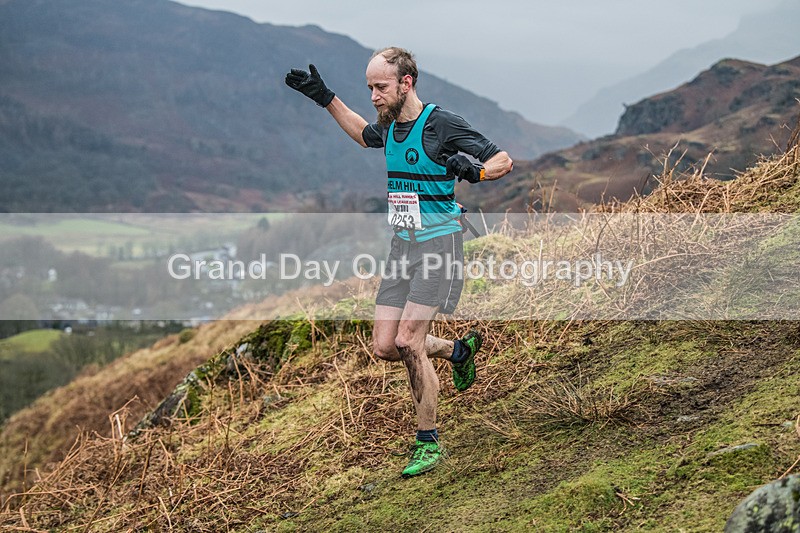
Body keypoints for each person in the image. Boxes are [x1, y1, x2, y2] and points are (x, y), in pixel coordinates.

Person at [285, 47, 513, 477]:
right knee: (386, 347)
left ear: (406, 83)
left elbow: (502, 159)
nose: (373, 96)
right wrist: (326, 98)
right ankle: (458, 351)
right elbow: (363, 134)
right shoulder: (390, 126)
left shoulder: (440, 124)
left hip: (439, 245)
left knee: (409, 341)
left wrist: (478, 171)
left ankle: (428, 442)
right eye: (369, 87)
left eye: (380, 87)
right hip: (402, 247)